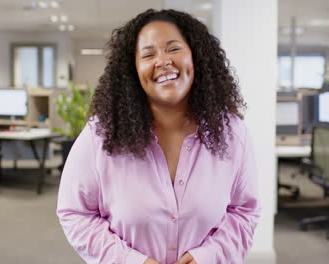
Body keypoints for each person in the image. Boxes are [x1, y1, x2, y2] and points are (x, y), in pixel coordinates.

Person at [57, 9, 260, 264]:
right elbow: (75, 213)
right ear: (133, 69)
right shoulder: (101, 134)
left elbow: (244, 212)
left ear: (196, 56)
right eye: (148, 54)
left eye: (173, 49)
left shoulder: (232, 134)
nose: (162, 61)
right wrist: (130, 261)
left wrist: (208, 257)